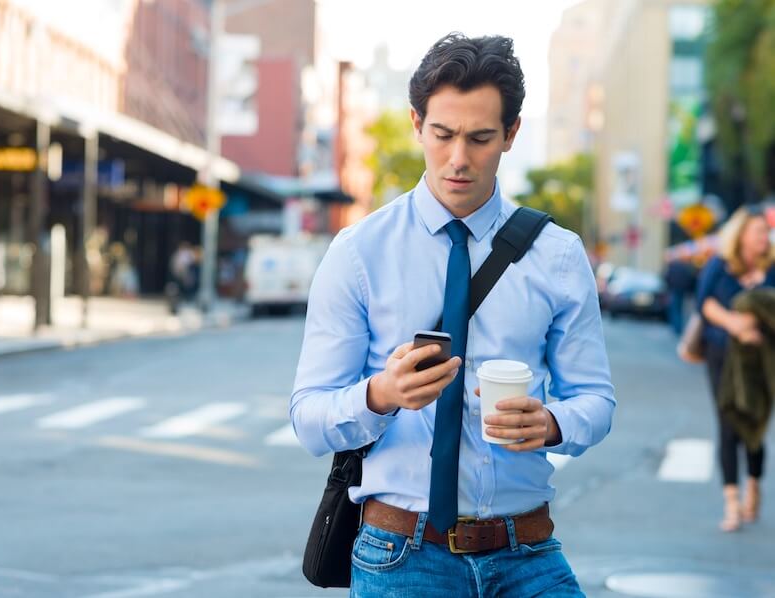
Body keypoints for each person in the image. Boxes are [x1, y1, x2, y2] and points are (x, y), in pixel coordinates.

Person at [291, 33, 615, 597]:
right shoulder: (359, 252)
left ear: (511, 134)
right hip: (401, 554)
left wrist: (553, 424)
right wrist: (381, 394)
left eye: (481, 138)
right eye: (442, 135)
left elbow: (595, 398)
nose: (458, 159)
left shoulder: (557, 255)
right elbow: (309, 416)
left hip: (529, 552)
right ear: (417, 123)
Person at [695, 205, 775, 532]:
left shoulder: (771, 268)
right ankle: (732, 504)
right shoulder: (720, 265)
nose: (763, 238)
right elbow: (704, 303)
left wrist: (755, 323)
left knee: (754, 421)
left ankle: (753, 484)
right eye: (758, 231)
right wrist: (735, 323)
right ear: (741, 234)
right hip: (723, 355)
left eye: (765, 233)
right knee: (728, 422)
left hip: (762, 360)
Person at [664, 258, 697, 334]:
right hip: (681, 290)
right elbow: (690, 279)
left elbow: (667, 277)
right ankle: (678, 327)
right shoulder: (686, 267)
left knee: (674, 309)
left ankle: (676, 327)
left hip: (674, 289)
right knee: (679, 309)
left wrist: (669, 286)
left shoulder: (673, 266)